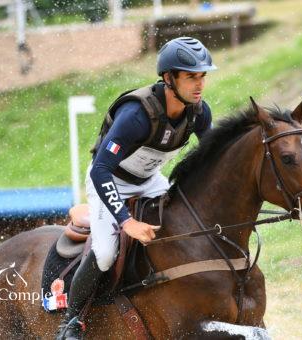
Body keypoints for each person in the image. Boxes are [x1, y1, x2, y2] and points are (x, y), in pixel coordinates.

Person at [56, 36, 217, 340]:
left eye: (202, 76)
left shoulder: (199, 112)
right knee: (105, 253)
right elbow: (102, 169)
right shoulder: (137, 115)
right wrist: (126, 222)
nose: (200, 85)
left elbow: (212, 158)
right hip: (109, 181)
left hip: (151, 181)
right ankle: (71, 321)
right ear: (169, 78)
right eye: (191, 77)